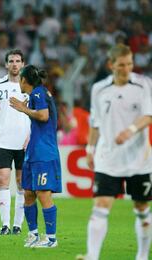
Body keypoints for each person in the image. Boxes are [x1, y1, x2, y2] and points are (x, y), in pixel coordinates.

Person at [77, 44, 152, 260]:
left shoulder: (144, 85)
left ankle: (142, 255)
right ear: (111, 65)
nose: (127, 68)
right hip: (107, 158)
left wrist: (130, 130)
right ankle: (92, 256)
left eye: (130, 63)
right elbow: (95, 122)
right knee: (101, 205)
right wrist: (90, 149)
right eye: (121, 65)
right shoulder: (99, 89)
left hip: (139, 159)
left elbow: (149, 115)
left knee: (141, 206)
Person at [10, 65, 62, 248]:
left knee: (43, 193)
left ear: (25, 80)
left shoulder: (39, 93)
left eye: (21, 80)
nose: (19, 83)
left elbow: (43, 116)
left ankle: (51, 238)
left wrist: (23, 109)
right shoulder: (35, 95)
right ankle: (33, 235)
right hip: (34, 151)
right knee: (29, 193)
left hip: (44, 153)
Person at [0, 49, 30, 235]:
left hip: (24, 142)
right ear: (6, 64)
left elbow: (37, 115)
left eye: (18, 61)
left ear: (23, 64)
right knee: (3, 180)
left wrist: (31, 137)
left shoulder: (29, 86)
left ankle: (18, 226)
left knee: (21, 183)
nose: (14, 64)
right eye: (11, 61)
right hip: (3, 141)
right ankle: (5, 224)